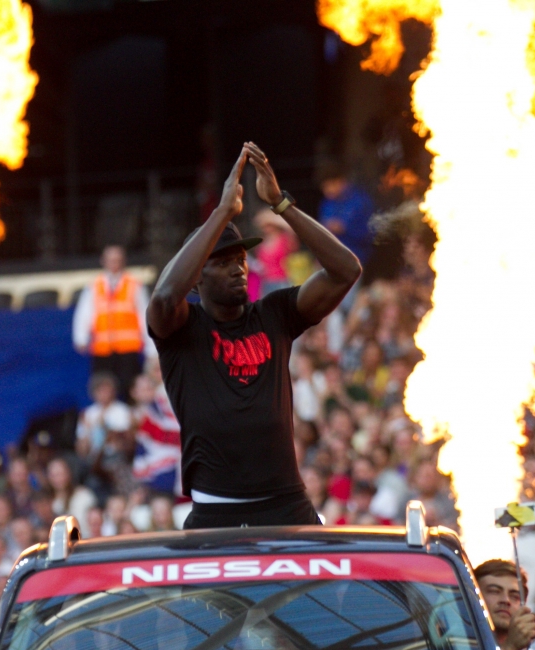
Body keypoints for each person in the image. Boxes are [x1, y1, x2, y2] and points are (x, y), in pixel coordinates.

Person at [147, 142, 361, 528]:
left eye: (241, 259)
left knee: (325, 590)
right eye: (223, 261)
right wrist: (222, 212)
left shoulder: (273, 314)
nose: (238, 268)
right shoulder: (181, 327)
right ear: (196, 278)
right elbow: (163, 295)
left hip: (287, 502)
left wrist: (281, 204)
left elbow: (346, 270)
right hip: (215, 510)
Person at [72, 245, 152, 396]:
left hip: (128, 348)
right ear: (103, 261)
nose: (114, 264)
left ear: (123, 261)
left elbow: (144, 315)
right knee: (102, 388)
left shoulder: (135, 285)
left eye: (117, 260)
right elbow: (84, 313)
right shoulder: (94, 286)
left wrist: (150, 345)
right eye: (111, 260)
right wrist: (81, 337)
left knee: (130, 388)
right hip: (102, 348)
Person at [473, 560, 535, 650]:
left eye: (515, 596)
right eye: (494, 591)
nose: (506, 600)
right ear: (472, 596)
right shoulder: (453, 644)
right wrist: (509, 648)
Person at [317, 162, 376, 266]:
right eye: (324, 187)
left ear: (341, 181)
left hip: (357, 260)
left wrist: (345, 228)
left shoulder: (360, 201)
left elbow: (371, 232)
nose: (327, 190)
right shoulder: (326, 203)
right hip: (331, 260)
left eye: (329, 185)